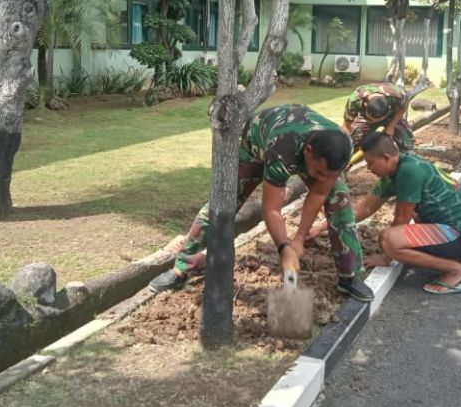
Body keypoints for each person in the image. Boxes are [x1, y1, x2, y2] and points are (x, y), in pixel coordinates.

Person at [148, 104, 374, 302]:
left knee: (340, 201)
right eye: (318, 171)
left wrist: (298, 240)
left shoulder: (342, 147)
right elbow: (271, 209)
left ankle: (349, 275)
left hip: (302, 138)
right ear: (307, 152)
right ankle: (181, 268)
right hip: (255, 143)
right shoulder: (284, 148)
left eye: (329, 174)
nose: (321, 178)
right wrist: (284, 248)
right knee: (221, 204)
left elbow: (318, 193)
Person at [354, 133, 461, 295]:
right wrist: (321, 226)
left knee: (389, 239)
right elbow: (365, 209)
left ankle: (456, 269)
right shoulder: (399, 168)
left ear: (386, 158)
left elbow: (401, 220)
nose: (369, 169)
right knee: (414, 218)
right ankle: (455, 257)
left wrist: (386, 257)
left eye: (370, 163)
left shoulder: (408, 171)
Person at [342, 82, 415, 153]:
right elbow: (347, 125)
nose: (375, 121)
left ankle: (406, 155)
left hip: (391, 116)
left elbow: (402, 107)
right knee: (352, 141)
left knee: (407, 143)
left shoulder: (396, 95)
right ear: (365, 104)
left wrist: (391, 126)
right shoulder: (355, 99)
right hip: (366, 120)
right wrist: (347, 142)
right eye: (373, 118)